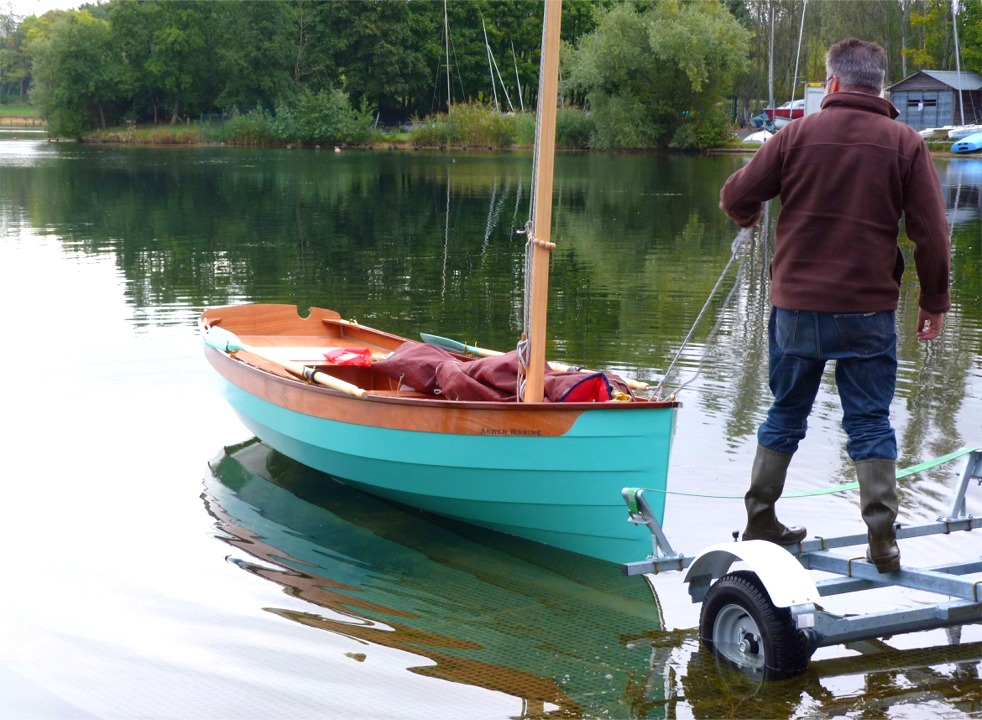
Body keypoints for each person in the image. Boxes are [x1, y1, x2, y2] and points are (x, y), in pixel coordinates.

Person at [719, 38, 951, 573]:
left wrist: (749, 211)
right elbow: (931, 235)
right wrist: (934, 300)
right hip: (867, 313)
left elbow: (736, 196)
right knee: (869, 421)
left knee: (786, 412)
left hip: (796, 310)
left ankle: (759, 521)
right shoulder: (904, 142)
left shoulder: (795, 135)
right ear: (880, 86)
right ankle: (881, 538)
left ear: (835, 83)